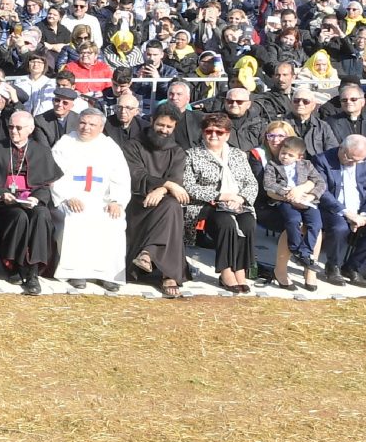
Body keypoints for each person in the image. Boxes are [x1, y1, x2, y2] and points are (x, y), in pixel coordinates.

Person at [47, 103, 129, 290]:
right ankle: (76, 272)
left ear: (101, 127)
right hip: (72, 198)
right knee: (76, 218)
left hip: (103, 200)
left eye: (92, 125)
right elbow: (54, 175)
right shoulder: (66, 143)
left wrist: (116, 200)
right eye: (83, 123)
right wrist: (68, 197)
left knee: (113, 221)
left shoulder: (109, 147)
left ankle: (108, 274)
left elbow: (121, 177)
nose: (86, 128)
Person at [0, 105, 61, 293]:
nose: (13, 131)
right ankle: (14, 265)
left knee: (42, 215)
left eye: (18, 128)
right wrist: (1, 194)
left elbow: (46, 185)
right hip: (6, 202)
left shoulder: (41, 151)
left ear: (30, 129)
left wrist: (37, 199)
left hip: (31, 199)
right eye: (11, 127)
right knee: (18, 217)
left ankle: (33, 272)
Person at [184, 113, 258, 293]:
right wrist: (220, 196)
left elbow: (251, 182)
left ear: (227, 134)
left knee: (248, 223)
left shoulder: (237, 155)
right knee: (226, 224)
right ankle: (226, 272)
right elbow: (188, 186)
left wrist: (240, 198)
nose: (213, 135)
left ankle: (240, 269)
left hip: (238, 202)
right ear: (202, 133)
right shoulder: (192, 155)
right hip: (206, 204)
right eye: (209, 131)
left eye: (219, 131)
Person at [124, 104, 192, 297]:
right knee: (172, 209)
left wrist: (162, 189)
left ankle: (148, 254)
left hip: (164, 202)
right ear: (152, 121)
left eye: (169, 127)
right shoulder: (133, 145)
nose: (164, 130)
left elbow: (176, 179)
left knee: (172, 205)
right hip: (138, 202)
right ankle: (169, 276)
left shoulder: (177, 151)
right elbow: (136, 176)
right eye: (160, 125)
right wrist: (167, 185)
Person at [315, 134, 366, 285]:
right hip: (334, 208)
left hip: (362, 208)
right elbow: (322, 192)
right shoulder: (322, 160)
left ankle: (353, 267)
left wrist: (364, 215)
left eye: (359, 160)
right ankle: (332, 266)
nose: (355, 163)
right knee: (339, 228)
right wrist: (346, 213)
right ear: (341, 149)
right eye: (351, 158)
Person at [259, 133, 324, 292]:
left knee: (315, 224)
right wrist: (287, 193)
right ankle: (296, 249)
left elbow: (320, 182)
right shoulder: (273, 165)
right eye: (283, 153)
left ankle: (306, 253)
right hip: (285, 201)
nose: (285, 157)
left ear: (299, 157)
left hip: (307, 201)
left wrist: (311, 195)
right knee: (293, 221)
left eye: (290, 155)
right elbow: (269, 185)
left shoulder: (307, 165)